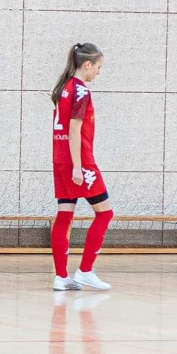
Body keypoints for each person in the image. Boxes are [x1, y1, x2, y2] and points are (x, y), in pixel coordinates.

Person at [50, 43, 113, 291]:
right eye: (98, 67)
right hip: (80, 161)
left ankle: (61, 277)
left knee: (65, 215)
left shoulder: (64, 87)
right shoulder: (80, 91)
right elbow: (74, 130)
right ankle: (85, 270)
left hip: (60, 159)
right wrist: (78, 166)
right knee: (105, 213)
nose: (98, 72)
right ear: (87, 65)